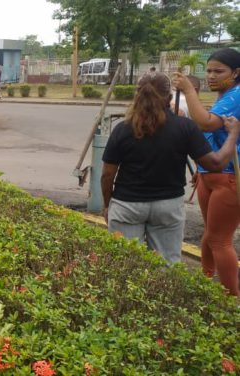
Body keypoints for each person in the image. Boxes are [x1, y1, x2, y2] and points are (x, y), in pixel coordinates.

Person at [101, 72, 240, 267]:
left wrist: (108, 204)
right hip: (168, 205)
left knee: (125, 266)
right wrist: (233, 134)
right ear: (169, 97)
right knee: (167, 267)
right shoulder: (185, 127)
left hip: (127, 205)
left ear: (137, 96)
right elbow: (215, 163)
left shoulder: (123, 129)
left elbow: (108, 174)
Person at [172, 47, 240, 296]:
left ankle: (231, 300)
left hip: (230, 176)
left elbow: (207, 123)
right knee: (210, 236)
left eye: (218, 71)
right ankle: (205, 285)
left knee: (220, 240)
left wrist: (189, 90)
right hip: (210, 174)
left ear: (236, 73)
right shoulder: (225, 96)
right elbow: (205, 130)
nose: (211, 76)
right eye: (209, 70)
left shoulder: (237, 95)